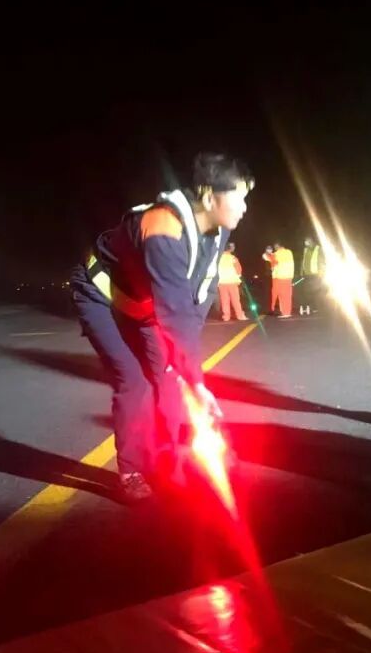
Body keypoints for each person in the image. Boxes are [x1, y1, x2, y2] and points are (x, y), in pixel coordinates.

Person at [73, 153, 253, 502]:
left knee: (169, 378)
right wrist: (197, 383)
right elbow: (175, 310)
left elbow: (202, 292)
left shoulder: (219, 230)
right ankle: (131, 472)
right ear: (208, 195)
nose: (245, 207)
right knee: (134, 381)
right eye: (239, 196)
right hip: (102, 295)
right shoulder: (162, 226)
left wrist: (186, 370)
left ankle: (165, 464)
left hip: (145, 305)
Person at [217, 242, 248, 321]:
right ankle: (240, 315)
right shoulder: (233, 258)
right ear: (230, 248)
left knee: (224, 300)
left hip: (221, 282)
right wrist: (239, 277)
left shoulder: (218, 258)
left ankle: (226, 316)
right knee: (235, 300)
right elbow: (239, 270)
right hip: (232, 282)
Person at [263, 241, 294, 318]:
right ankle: (288, 312)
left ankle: (285, 313)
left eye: (275, 247)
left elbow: (265, 257)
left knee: (282, 296)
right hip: (289, 276)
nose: (274, 248)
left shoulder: (276, 254)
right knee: (288, 295)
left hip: (280, 277)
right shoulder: (289, 252)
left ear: (277, 246)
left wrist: (268, 252)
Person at [298, 235, 324, 315]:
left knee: (315, 292)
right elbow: (303, 260)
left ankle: (316, 307)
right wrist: (301, 271)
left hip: (316, 274)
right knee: (306, 291)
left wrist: (321, 271)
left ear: (312, 241)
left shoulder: (318, 249)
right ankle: (310, 306)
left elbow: (322, 260)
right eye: (305, 241)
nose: (306, 243)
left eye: (307, 241)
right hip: (307, 274)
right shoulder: (305, 249)